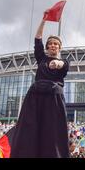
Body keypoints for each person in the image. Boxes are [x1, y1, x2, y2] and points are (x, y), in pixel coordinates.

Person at [11, 10, 70, 158]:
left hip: (53, 98)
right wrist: (44, 20)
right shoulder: (41, 58)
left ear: (60, 47)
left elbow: (61, 64)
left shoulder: (65, 62)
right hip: (35, 97)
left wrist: (57, 63)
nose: (52, 46)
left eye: (56, 44)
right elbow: (37, 38)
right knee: (30, 129)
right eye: (50, 44)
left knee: (52, 131)